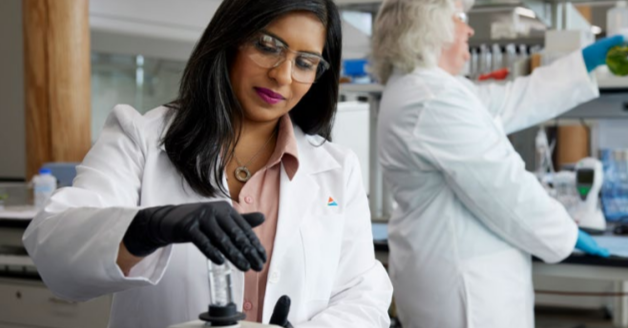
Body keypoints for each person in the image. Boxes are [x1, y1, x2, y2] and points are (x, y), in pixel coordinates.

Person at [22, 0, 392, 327]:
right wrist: (145, 228)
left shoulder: (337, 170)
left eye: (305, 62)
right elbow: (53, 251)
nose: (282, 75)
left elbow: (363, 292)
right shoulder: (141, 138)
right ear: (232, 38)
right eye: (267, 46)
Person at [371, 0, 628, 327]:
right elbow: (502, 187)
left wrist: (583, 63)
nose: (469, 29)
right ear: (430, 26)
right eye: (460, 18)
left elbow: (513, 100)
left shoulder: (427, 89)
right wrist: (565, 235)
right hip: (467, 289)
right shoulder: (431, 98)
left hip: (448, 268)